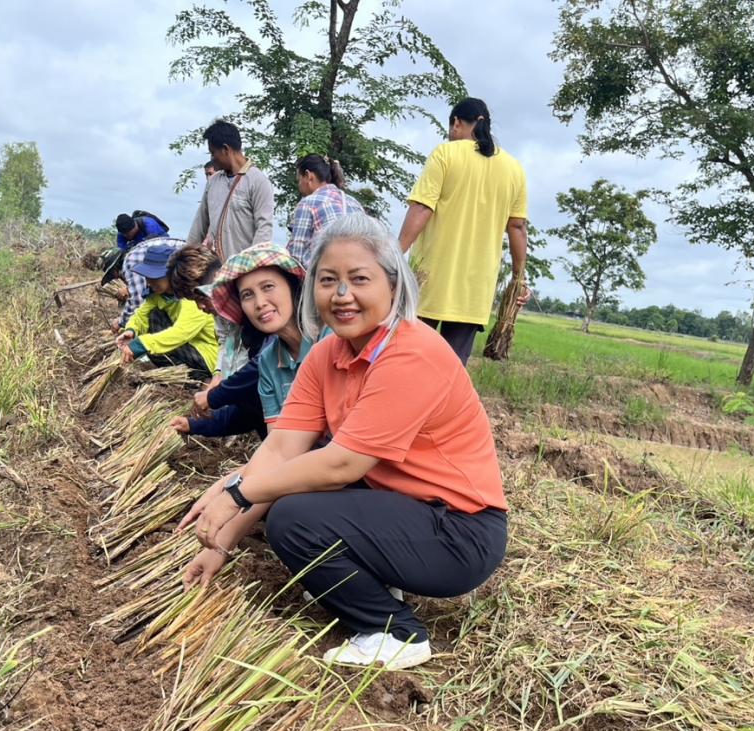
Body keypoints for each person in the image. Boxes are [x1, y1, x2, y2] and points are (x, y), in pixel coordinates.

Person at [180, 214, 508, 671]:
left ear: (393, 287)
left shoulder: (413, 353)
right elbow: (280, 451)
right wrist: (220, 542)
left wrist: (236, 492)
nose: (342, 295)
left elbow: (342, 465)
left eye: (359, 279)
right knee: (290, 492)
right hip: (402, 508)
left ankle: (394, 631)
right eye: (328, 280)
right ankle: (380, 577)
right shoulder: (326, 355)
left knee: (294, 516)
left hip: (459, 532)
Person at [397, 97, 529, 365]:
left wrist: (393, 254)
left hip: (428, 282)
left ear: (457, 123)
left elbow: (421, 209)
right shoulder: (514, 169)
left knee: (408, 362)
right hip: (475, 290)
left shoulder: (446, 153)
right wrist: (519, 279)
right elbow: (517, 227)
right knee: (450, 371)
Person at [175, 243, 315, 438]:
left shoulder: (327, 342)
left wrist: (214, 396)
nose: (260, 303)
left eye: (268, 286)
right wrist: (194, 425)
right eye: (247, 295)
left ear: (291, 285)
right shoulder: (269, 361)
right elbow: (267, 429)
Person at [188, 120, 277, 378]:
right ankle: (222, 383)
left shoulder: (258, 182)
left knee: (249, 340)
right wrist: (185, 259)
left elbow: (264, 231)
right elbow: (199, 223)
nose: (212, 159)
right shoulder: (213, 183)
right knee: (224, 337)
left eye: (213, 152)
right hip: (218, 281)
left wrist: (248, 273)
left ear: (226, 149)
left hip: (244, 279)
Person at [116, 244, 218, 378]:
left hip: (206, 353)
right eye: (147, 276)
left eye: (155, 276)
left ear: (171, 274)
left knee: (152, 345)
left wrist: (141, 344)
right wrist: (131, 330)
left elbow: (181, 332)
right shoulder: (157, 295)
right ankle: (181, 374)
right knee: (153, 316)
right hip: (186, 346)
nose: (149, 281)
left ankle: (198, 376)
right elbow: (141, 315)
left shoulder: (191, 297)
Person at [286, 155, 365, 265]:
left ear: (308, 176)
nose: (299, 185)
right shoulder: (353, 202)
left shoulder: (308, 203)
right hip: (357, 268)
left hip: (324, 273)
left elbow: (296, 256)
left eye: (299, 180)